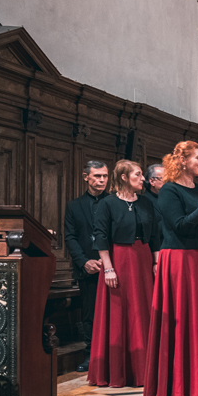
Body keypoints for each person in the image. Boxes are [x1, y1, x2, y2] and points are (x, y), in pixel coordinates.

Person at [144, 141, 198, 396]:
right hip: (180, 259)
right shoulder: (169, 190)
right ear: (182, 161)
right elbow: (180, 226)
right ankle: (179, 384)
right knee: (182, 319)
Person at [90, 160, 158, 388]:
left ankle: (144, 370)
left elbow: (156, 235)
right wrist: (108, 268)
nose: (143, 179)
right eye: (138, 175)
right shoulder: (108, 204)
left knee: (143, 311)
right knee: (119, 313)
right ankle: (118, 371)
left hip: (143, 259)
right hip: (118, 260)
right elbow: (100, 237)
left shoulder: (147, 203)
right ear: (123, 177)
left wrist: (157, 262)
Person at [64, 160, 108, 373]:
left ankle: (112, 354)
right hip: (87, 267)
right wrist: (84, 262)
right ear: (86, 177)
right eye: (97, 176)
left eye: (105, 176)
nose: (102, 180)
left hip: (111, 266)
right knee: (89, 315)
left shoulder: (113, 201)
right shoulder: (74, 205)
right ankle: (91, 354)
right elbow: (70, 237)